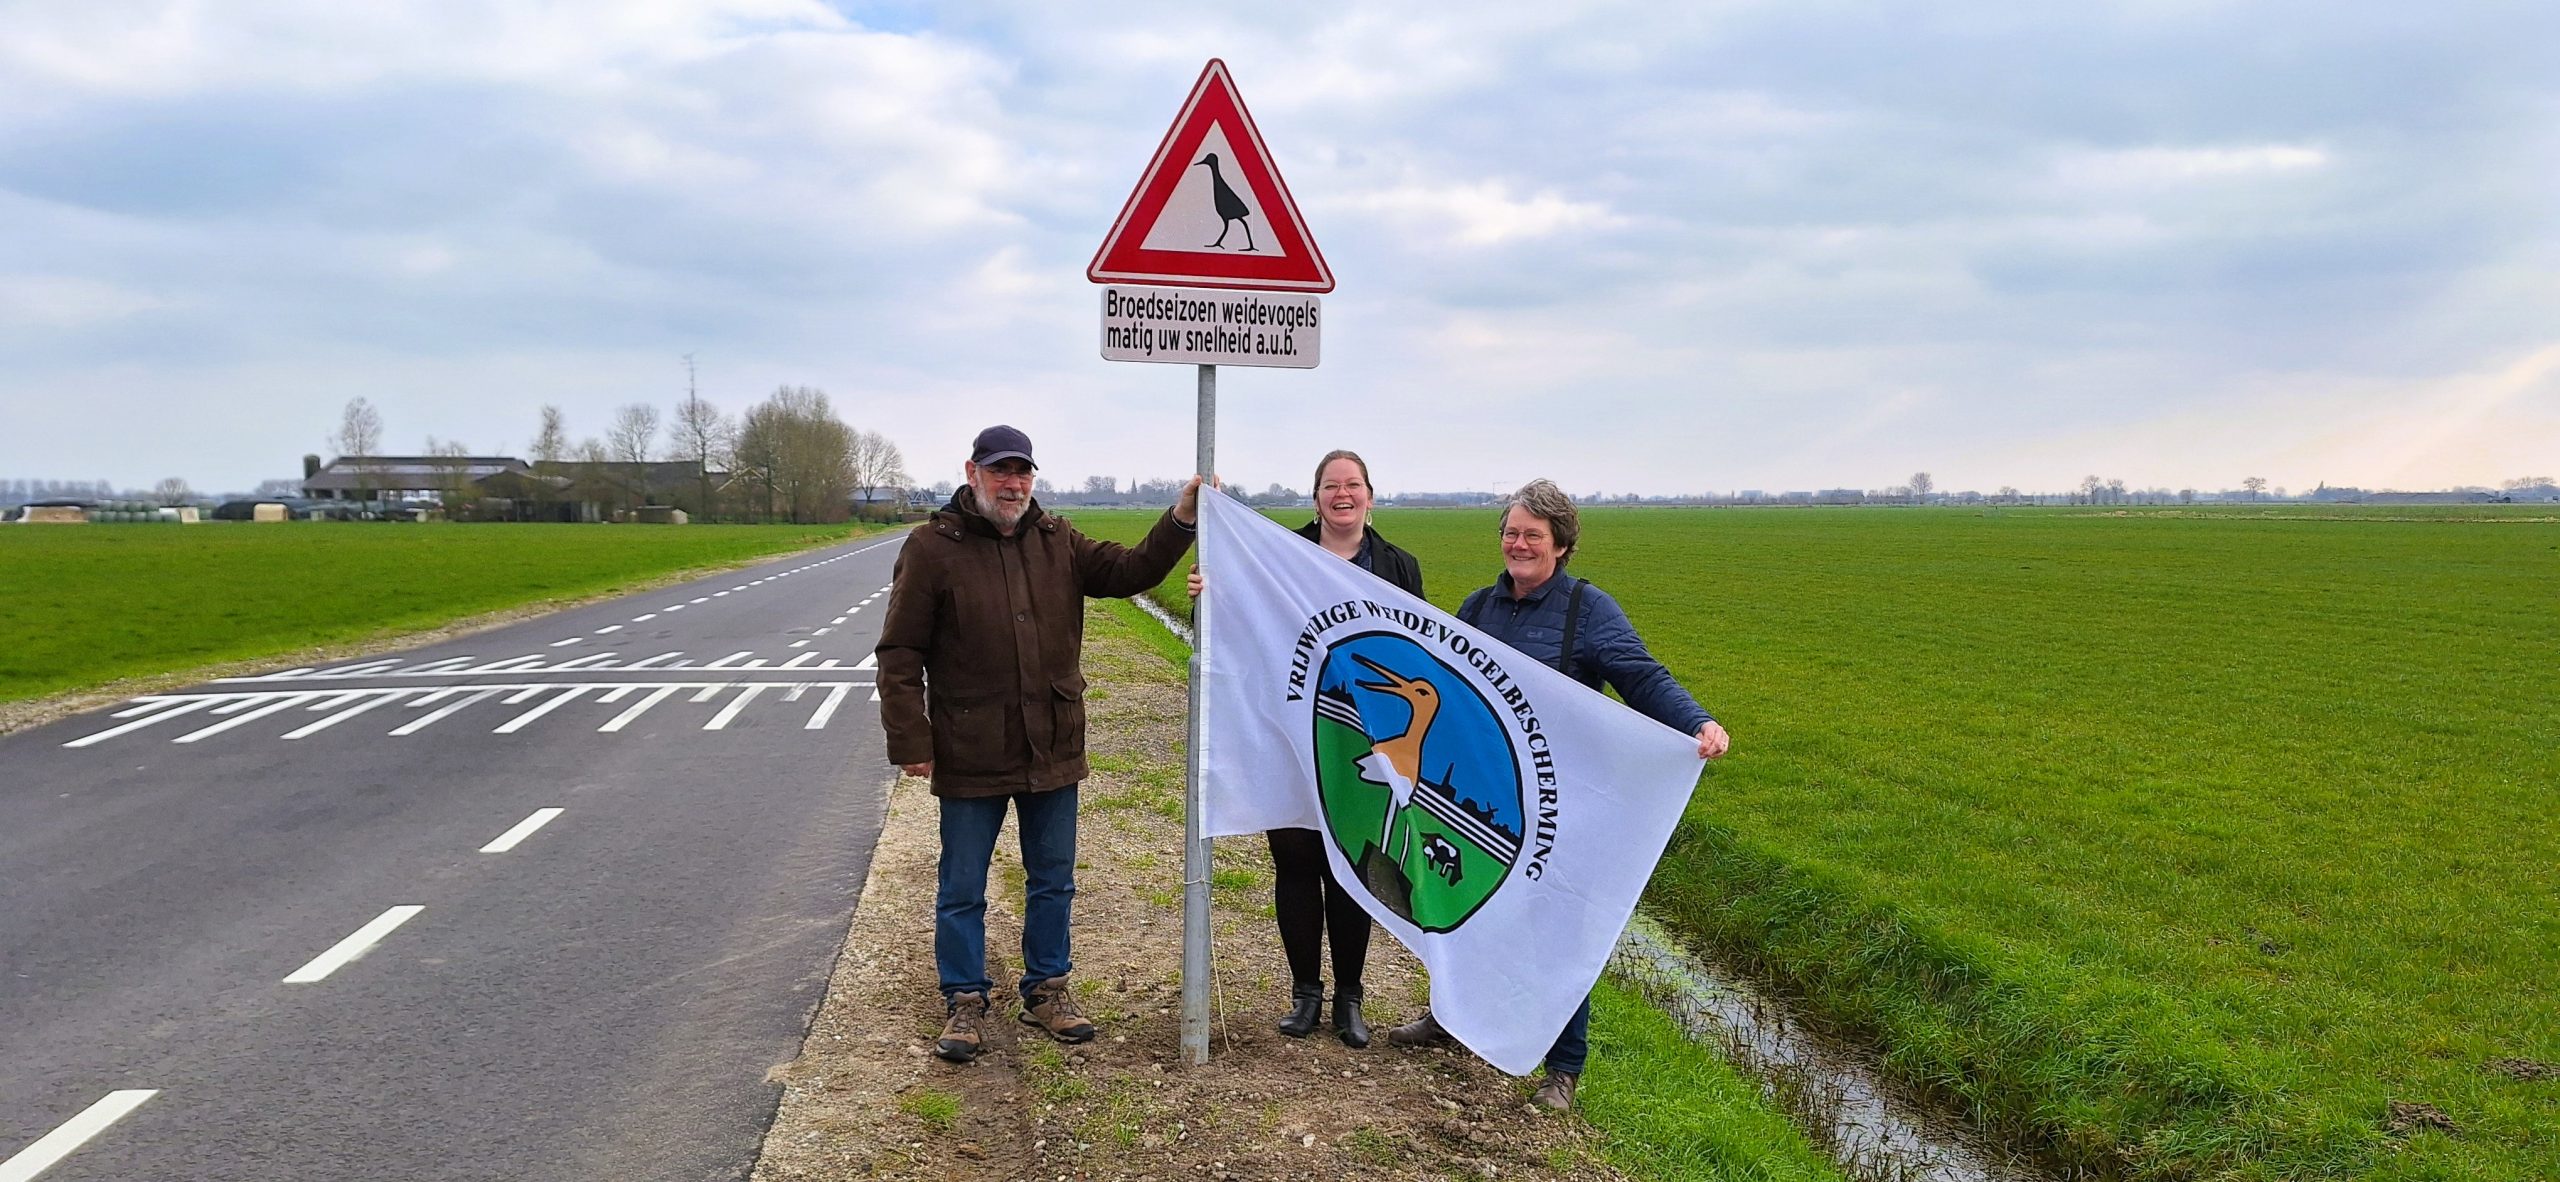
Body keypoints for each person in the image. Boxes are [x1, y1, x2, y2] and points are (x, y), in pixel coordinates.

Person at [1384, 479, 1730, 1111]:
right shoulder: (1479, 608)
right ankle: (1452, 1018)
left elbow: (1640, 676)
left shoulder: (1587, 612)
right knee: (1463, 901)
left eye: (1532, 536)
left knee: (1557, 929)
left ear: (1562, 546)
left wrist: (1695, 723)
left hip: (1559, 806)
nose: (1518, 545)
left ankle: (1563, 1067)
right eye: (1511, 533)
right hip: (1487, 795)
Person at [876, 424, 1204, 1064]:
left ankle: (1047, 990)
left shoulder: (1059, 541)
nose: (1013, 483)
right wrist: (909, 739)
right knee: (963, 883)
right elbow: (899, 653)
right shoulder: (930, 548)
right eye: (1000, 471)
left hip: (1052, 745)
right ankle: (964, 998)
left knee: (1052, 878)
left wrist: (1181, 517)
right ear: (972, 474)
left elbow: (1131, 570)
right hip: (970, 748)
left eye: (1022, 472)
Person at [1186, 450, 1422, 1048]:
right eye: (1330, 486)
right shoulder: (1276, 558)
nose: (1342, 495)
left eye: (1353, 485)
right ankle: (1304, 994)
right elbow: (1237, 618)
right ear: (1315, 496)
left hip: (1364, 740)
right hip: (1292, 733)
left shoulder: (1400, 566)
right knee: (1295, 863)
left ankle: (1349, 998)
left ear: (1371, 494)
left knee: (1351, 870)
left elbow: (1414, 651)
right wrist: (1207, 591)